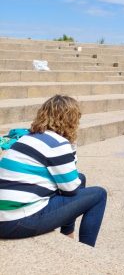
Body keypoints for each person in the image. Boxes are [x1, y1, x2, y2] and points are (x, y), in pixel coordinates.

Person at [0, 95, 107, 247]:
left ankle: (67, 235)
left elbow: (73, 180)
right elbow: (71, 188)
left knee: (80, 178)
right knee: (99, 194)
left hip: (5, 216)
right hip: (16, 222)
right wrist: (71, 145)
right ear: (71, 120)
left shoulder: (26, 138)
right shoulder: (57, 144)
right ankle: (86, 251)